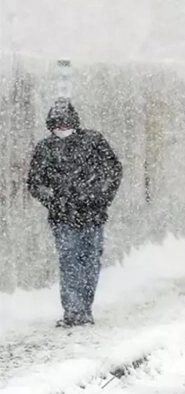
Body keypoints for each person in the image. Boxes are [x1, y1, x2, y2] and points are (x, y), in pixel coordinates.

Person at [27, 98, 123, 327]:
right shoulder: (45, 148)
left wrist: (98, 196)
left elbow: (113, 171)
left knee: (90, 262)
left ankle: (84, 308)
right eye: (56, 123)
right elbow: (35, 183)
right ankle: (72, 311)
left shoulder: (94, 141)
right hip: (63, 217)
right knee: (70, 261)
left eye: (65, 122)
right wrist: (55, 199)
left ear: (74, 121)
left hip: (93, 214)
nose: (61, 127)